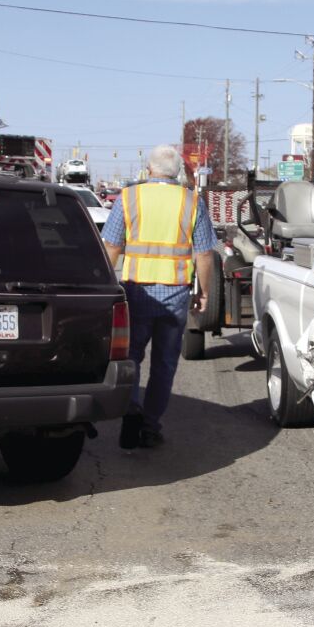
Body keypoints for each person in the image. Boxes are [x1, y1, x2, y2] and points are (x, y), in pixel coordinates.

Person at [101, 145, 216, 449]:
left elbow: (111, 246)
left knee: (132, 357)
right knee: (165, 364)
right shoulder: (192, 201)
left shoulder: (129, 197)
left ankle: (131, 411)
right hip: (175, 294)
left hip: (136, 292)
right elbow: (204, 254)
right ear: (177, 172)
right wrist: (204, 292)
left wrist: (102, 283)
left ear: (148, 169)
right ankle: (150, 427)